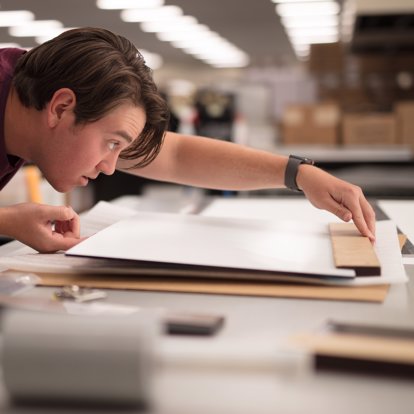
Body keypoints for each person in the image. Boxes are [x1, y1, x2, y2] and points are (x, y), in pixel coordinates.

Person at [0, 27, 375, 253]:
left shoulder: (33, 90)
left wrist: (299, 174)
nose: (112, 165)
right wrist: (6, 222)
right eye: (112, 142)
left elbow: (175, 154)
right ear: (61, 107)